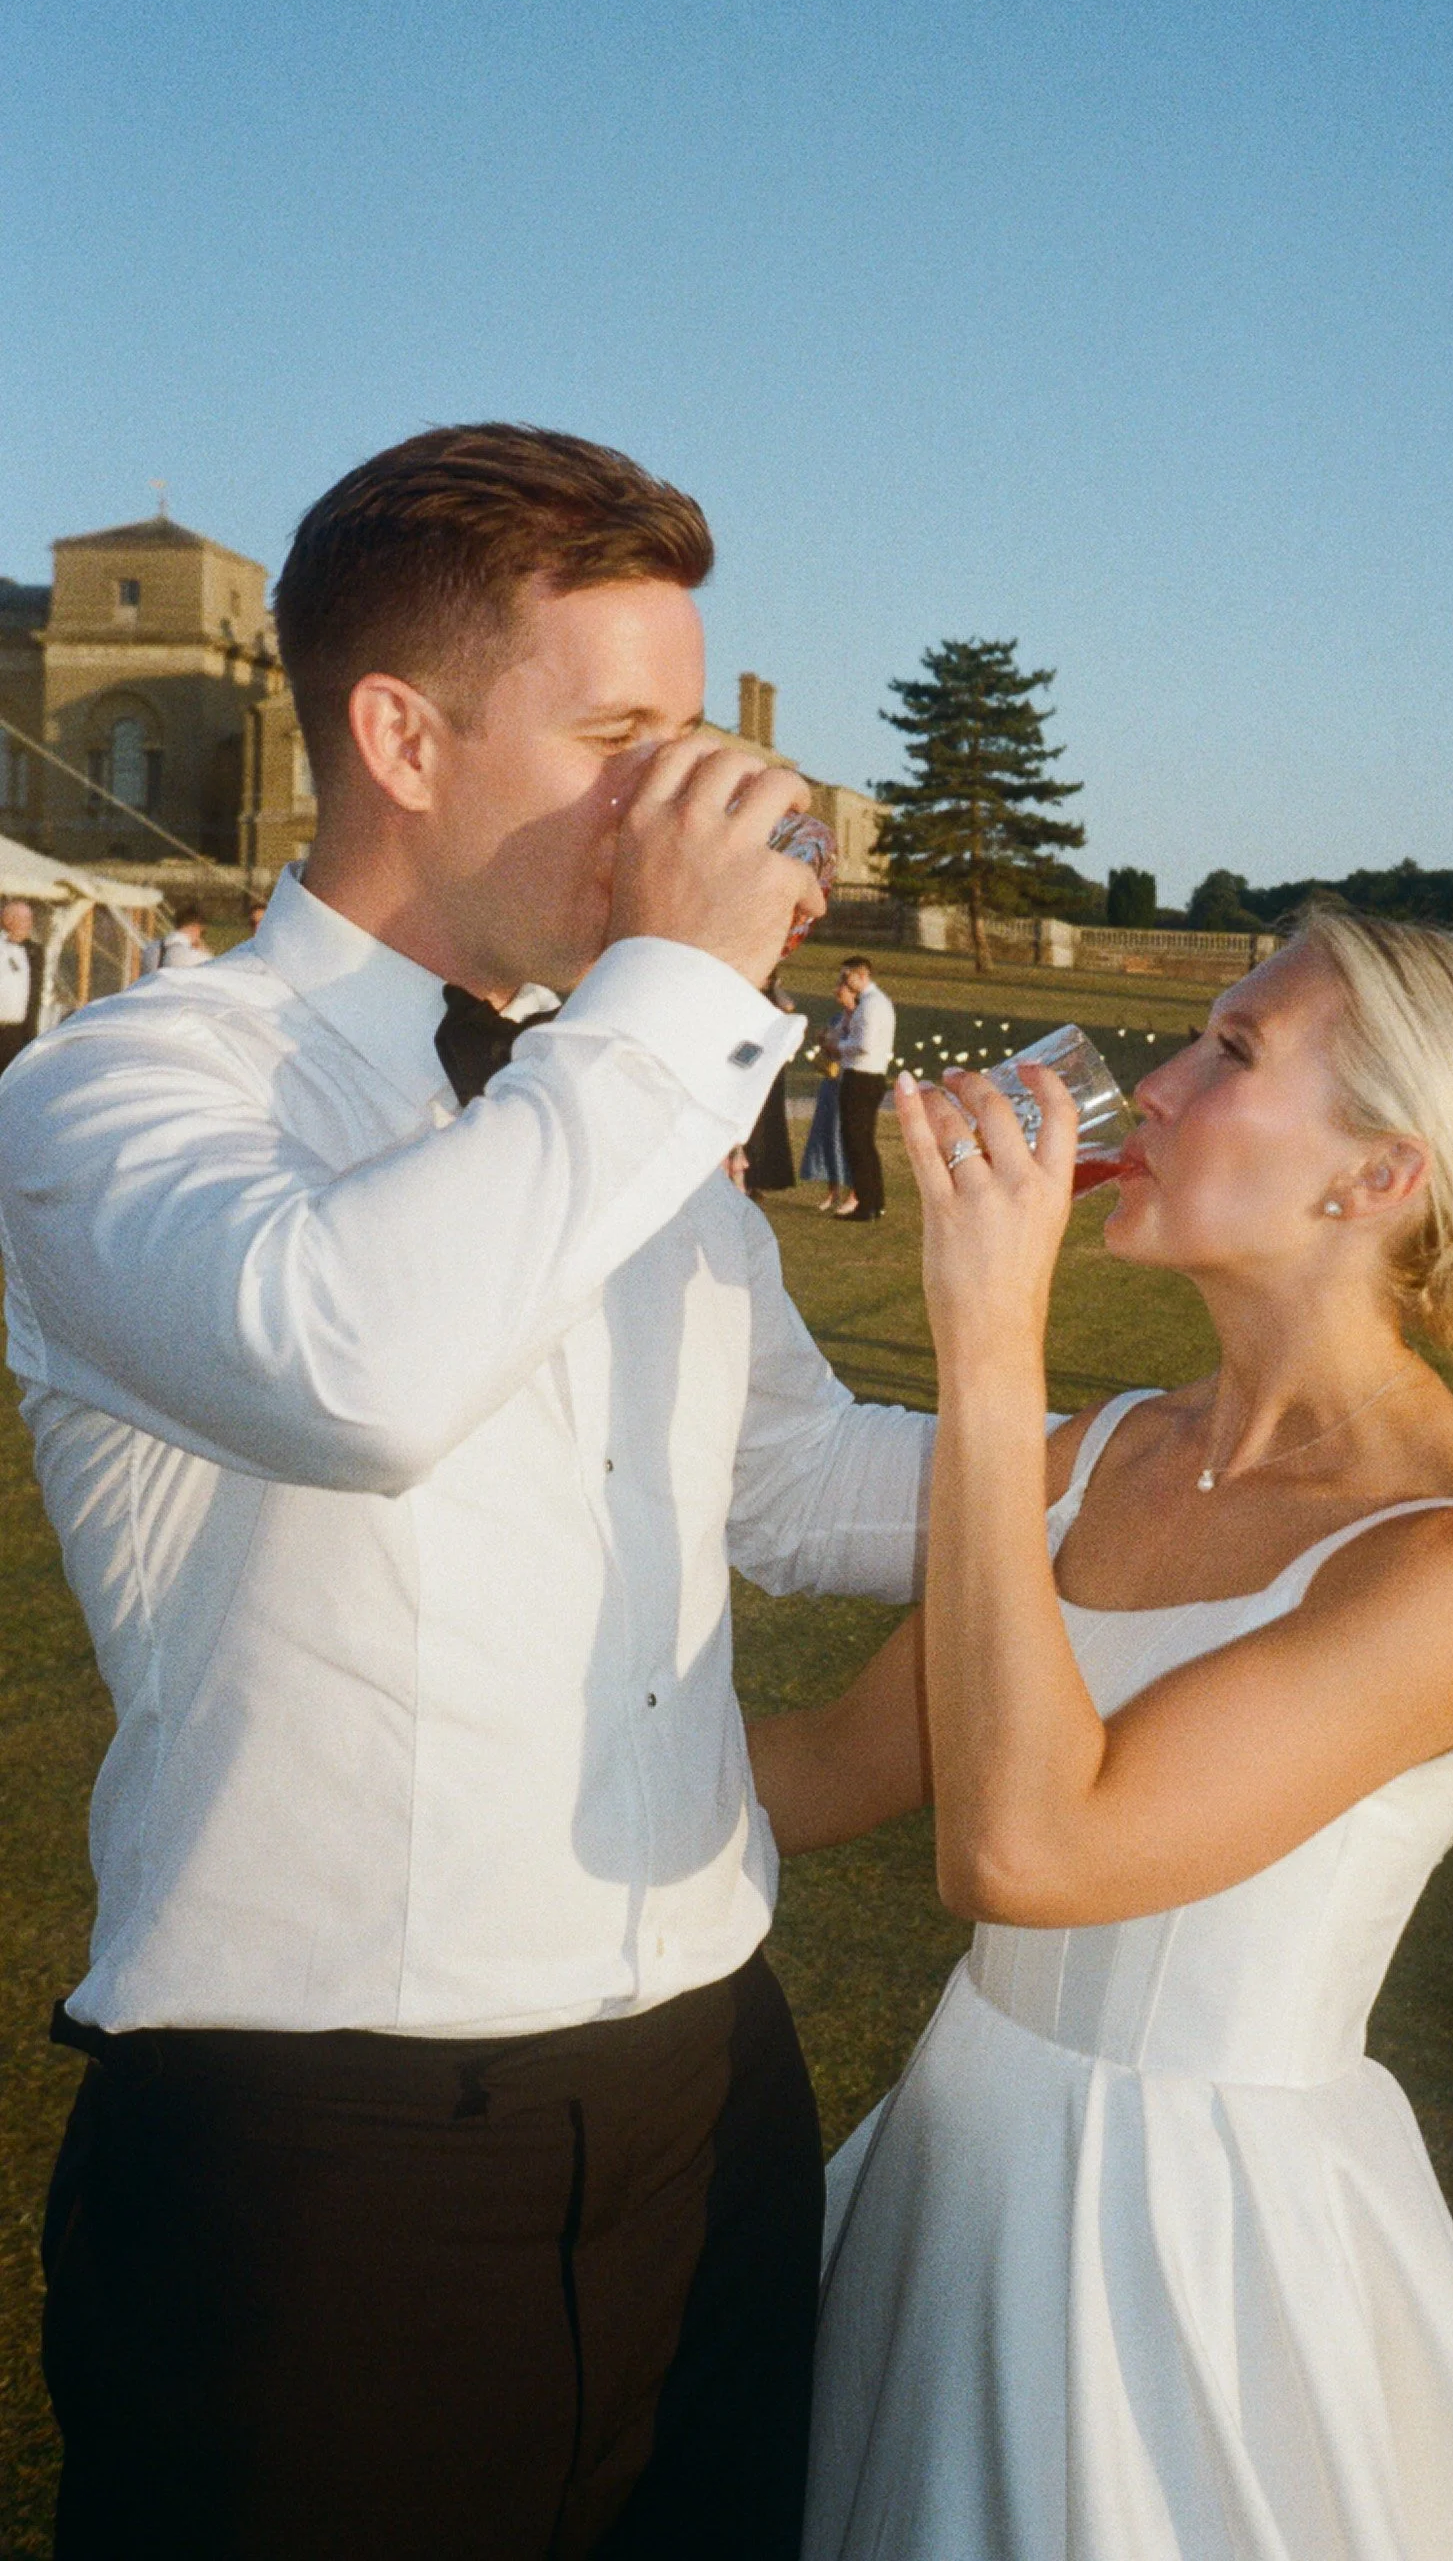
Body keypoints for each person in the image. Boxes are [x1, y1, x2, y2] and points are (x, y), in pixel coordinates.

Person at [0, 424, 938, 2561]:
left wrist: (1192, 1450)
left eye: (685, 739)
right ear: (399, 735)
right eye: (617, 736)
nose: (674, 803)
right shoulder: (133, 1084)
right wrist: (680, 994)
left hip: (717, 2077)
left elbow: (804, 1489)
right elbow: (362, 1371)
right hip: (329, 2164)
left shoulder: (613, 1107)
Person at [751, 910, 1453, 2561]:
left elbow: (1025, 1850)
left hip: (1179, 2233)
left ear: (1376, 1176)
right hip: (961, 2147)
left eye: (1232, 1052)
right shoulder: (1118, 1448)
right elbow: (830, 1770)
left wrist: (987, 1339)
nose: (1160, 1088)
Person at [832, 953, 895, 1222]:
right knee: (863, 1142)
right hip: (866, 1076)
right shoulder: (868, 1003)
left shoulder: (872, 1005)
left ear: (861, 976)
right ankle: (874, 1200)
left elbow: (865, 1044)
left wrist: (838, 1047)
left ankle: (867, 1204)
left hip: (863, 1076)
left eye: (847, 976)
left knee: (857, 1141)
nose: (844, 982)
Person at [743, 980, 799, 1197]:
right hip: (755, 1066)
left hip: (770, 1068)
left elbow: (789, 1006)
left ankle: (759, 1179)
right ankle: (748, 1178)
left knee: (767, 1125)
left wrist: (775, 987)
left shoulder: (773, 1000)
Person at [800, 1025, 856, 1213]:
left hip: (850, 1082)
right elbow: (827, 1045)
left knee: (847, 1139)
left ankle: (854, 1194)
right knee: (827, 1136)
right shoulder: (837, 1019)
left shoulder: (862, 1019)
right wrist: (823, 1040)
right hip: (831, 1083)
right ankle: (832, 1193)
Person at [0, 896, 43, 1069]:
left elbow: (34, 996)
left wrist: (31, 1034)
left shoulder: (34, 952)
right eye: (23, 919)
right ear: (7, 920)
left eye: (30, 919)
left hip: (16, 1033)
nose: (29, 924)